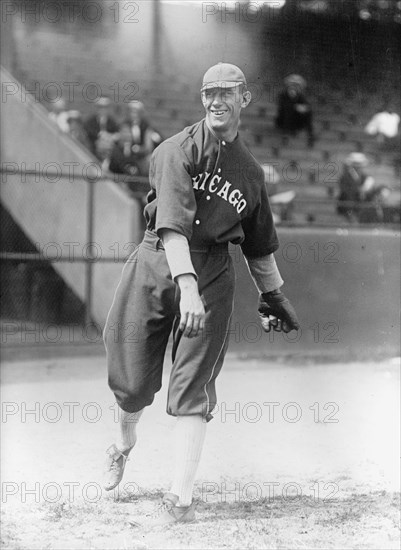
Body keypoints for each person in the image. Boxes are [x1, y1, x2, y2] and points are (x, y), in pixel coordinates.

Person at [103, 63, 300, 527]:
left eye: (226, 93)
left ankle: (181, 498)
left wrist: (274, 294)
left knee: (194, 384)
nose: (216, 101)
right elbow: (171, 225)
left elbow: (257, 243)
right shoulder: (176, 150)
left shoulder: (251, 172)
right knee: (131, 385)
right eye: (209, 93)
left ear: (244, 99)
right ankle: (124, 446)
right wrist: (184, 286)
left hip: (212, 267)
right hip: (157, 260)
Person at [336, 152, 385, 223]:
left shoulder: (365, 177)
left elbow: (370, 192)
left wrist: (378, 192)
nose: (360, 167)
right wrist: (361, 190)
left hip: (360, 205)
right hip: (348, 205)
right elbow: (345, 191)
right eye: (358, 165)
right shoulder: (345, 177)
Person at [275, 74, 315, 147]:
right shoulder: (282, 95)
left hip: (296, 122)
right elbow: (282, 107)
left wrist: (304, 108)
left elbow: (306, 106)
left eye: (296, 86)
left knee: (308, 112)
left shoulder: (301, 97)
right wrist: (295, 107)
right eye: (292, 85)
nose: (294, 87)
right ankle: (285, 135)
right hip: (283, 121)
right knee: (288, 110)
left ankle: (310, 136)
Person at [124, 100, 163, 175]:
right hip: (129, 154)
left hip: (142, 156)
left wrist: (141, 149)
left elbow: (150, 145)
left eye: (136, 112)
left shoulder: (146, 126)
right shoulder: (125, 125)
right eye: (132, 112)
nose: (134, 115)